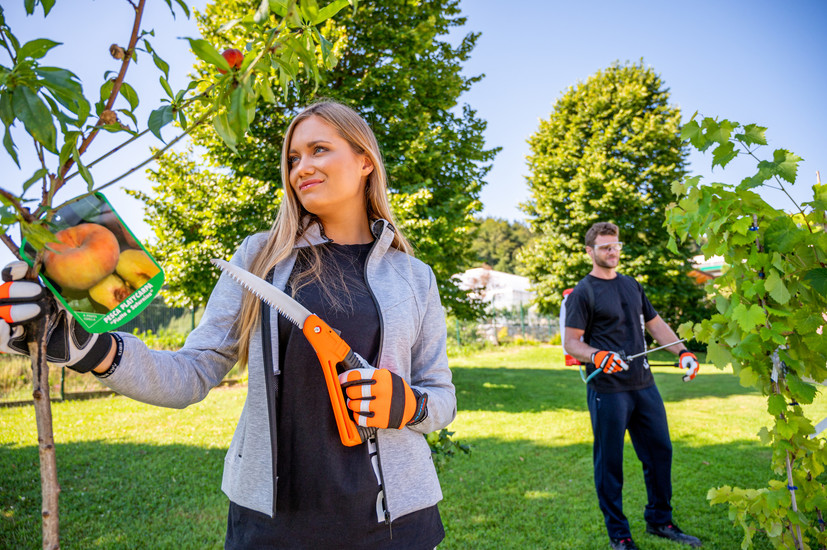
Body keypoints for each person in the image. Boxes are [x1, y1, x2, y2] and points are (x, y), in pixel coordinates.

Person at [0, 100, 456, 549]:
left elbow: (441, 396)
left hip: (397, 526)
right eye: (293, 158)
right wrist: (91, 350)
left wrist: (409, 405)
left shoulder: (414, 276)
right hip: (272, 529)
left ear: (364, 161)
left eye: (319, 150)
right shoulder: (260, 258)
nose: (301, 168)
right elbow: (192, 372)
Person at [563, 221, 702, 550]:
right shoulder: (584, 292)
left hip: (644, 384)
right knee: (609, 462)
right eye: (605, 247)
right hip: (608, 391)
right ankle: (619, 535)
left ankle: (660, 520)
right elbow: (572, 342)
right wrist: (597, 356)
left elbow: (656, 325)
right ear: (590, 252)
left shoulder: (631, 285)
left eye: (616, 246)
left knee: (660, 452)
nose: (613, 252)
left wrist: (682, 351)